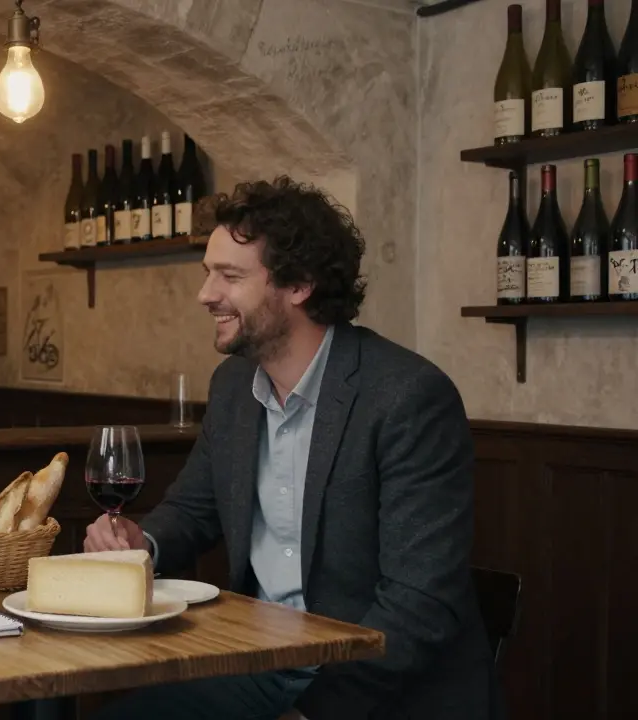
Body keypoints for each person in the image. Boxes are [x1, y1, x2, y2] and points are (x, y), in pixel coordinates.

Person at [85, 177, 504, 720]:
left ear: (299, 284)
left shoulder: (407, 397)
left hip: (380, 690)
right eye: (208, 273)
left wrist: (312, 714)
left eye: (230, 276)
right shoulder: (234, 387)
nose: (206, 294)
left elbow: (417, 607)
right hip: (259, 668)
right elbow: (193, 509)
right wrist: (141, 542)